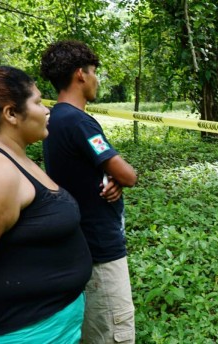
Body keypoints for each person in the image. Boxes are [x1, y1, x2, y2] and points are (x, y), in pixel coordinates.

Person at [0, 66, 92, 342]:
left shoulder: (14, 157)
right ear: (11, 114)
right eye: (38, 102)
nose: (46, 110)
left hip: (51, 326)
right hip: (24, 333)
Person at [40, 40, 138, 343]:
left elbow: (84, 169)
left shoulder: (54, 118)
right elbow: (128, 174)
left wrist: (110, 176)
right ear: (80, 74)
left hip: (77, 242)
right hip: (100, 248)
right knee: (113, 331)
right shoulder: (81, 123)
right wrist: (119, 176)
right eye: (94, 71)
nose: (97, 79)